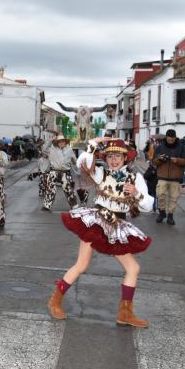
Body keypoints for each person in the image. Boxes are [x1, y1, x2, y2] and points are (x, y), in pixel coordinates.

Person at [47, 138, 154, 327]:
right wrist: (93, 143)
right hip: (97, 223)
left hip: (117, 227)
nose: (114, 160)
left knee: (133, 268)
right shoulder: (101, 173)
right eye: (110, 156)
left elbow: (147, 207)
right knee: (81, 265)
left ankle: (125, 313)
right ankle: (55, 301)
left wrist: (137, 193)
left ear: (125, 157)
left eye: (117, 156)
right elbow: (83, 163)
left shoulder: (135, 178)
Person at [152, 129, 185, 225]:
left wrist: (177, 160)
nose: (171, 141)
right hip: (162, 176)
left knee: (174, 198)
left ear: (175, 137)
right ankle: (162, 212)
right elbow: (154, 162)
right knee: (160, 195)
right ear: (166, 137)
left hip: (175, 177)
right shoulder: (160, 147)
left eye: (172, 139)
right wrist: (159, 159)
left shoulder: (181, 147)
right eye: (169, 139)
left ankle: (170, 216)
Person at [42, 135, 78, 211]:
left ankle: (74, 205)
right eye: (59, 141)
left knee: (68, 189)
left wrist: (76, 164)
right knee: (50, 188)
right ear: (57, 143)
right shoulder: (52, 149)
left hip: (65, 172)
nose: (61, 143)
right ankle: (47, 205)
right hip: (53, 171)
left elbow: (75, 161)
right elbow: (44, 149)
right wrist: (50, 140)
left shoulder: (69, 150)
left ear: (65, 142)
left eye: (63, 141)